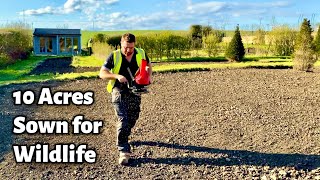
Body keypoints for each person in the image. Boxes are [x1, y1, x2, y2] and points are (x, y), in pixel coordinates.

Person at [99, 33, 152, 165]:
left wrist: (148, 76)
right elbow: (102, 73)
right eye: (125, 47)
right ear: (121, 44)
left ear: (135, 45)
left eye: (131, 48)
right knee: (123, 119)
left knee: (134, 116)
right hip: (118, 90)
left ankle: (124, 134)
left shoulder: (141, 53)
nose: (128, 50)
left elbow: (148, 65)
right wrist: (117, 76)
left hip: (135, 89)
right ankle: (124, 150)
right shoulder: (114, 55)